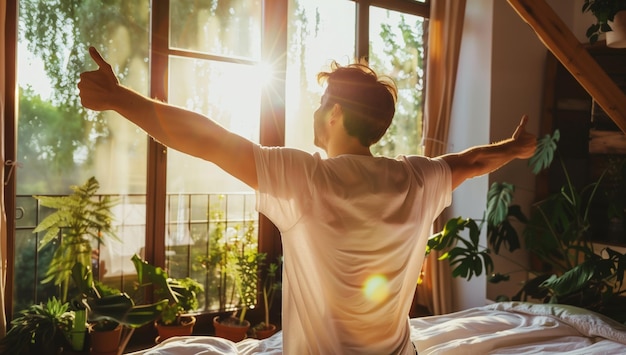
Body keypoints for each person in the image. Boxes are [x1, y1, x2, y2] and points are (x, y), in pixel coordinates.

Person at [78, 47, 536, 354]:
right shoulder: (418, 178)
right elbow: (474, 161)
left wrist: (119, 98)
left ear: (335, 113)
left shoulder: (307, 177)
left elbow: (208, 141)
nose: (315, 111)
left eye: (321, 103)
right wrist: (515, 148)